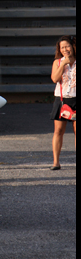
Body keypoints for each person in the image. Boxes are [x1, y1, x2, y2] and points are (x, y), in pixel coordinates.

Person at [50, 35, 76, 170]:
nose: (65, 49)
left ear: (73, 47)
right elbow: (54, 79)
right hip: (62, 99)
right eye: (62, 47)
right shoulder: (57, 62)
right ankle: (56, 162)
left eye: (67, 46)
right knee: (58, 131)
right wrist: (64, 63)